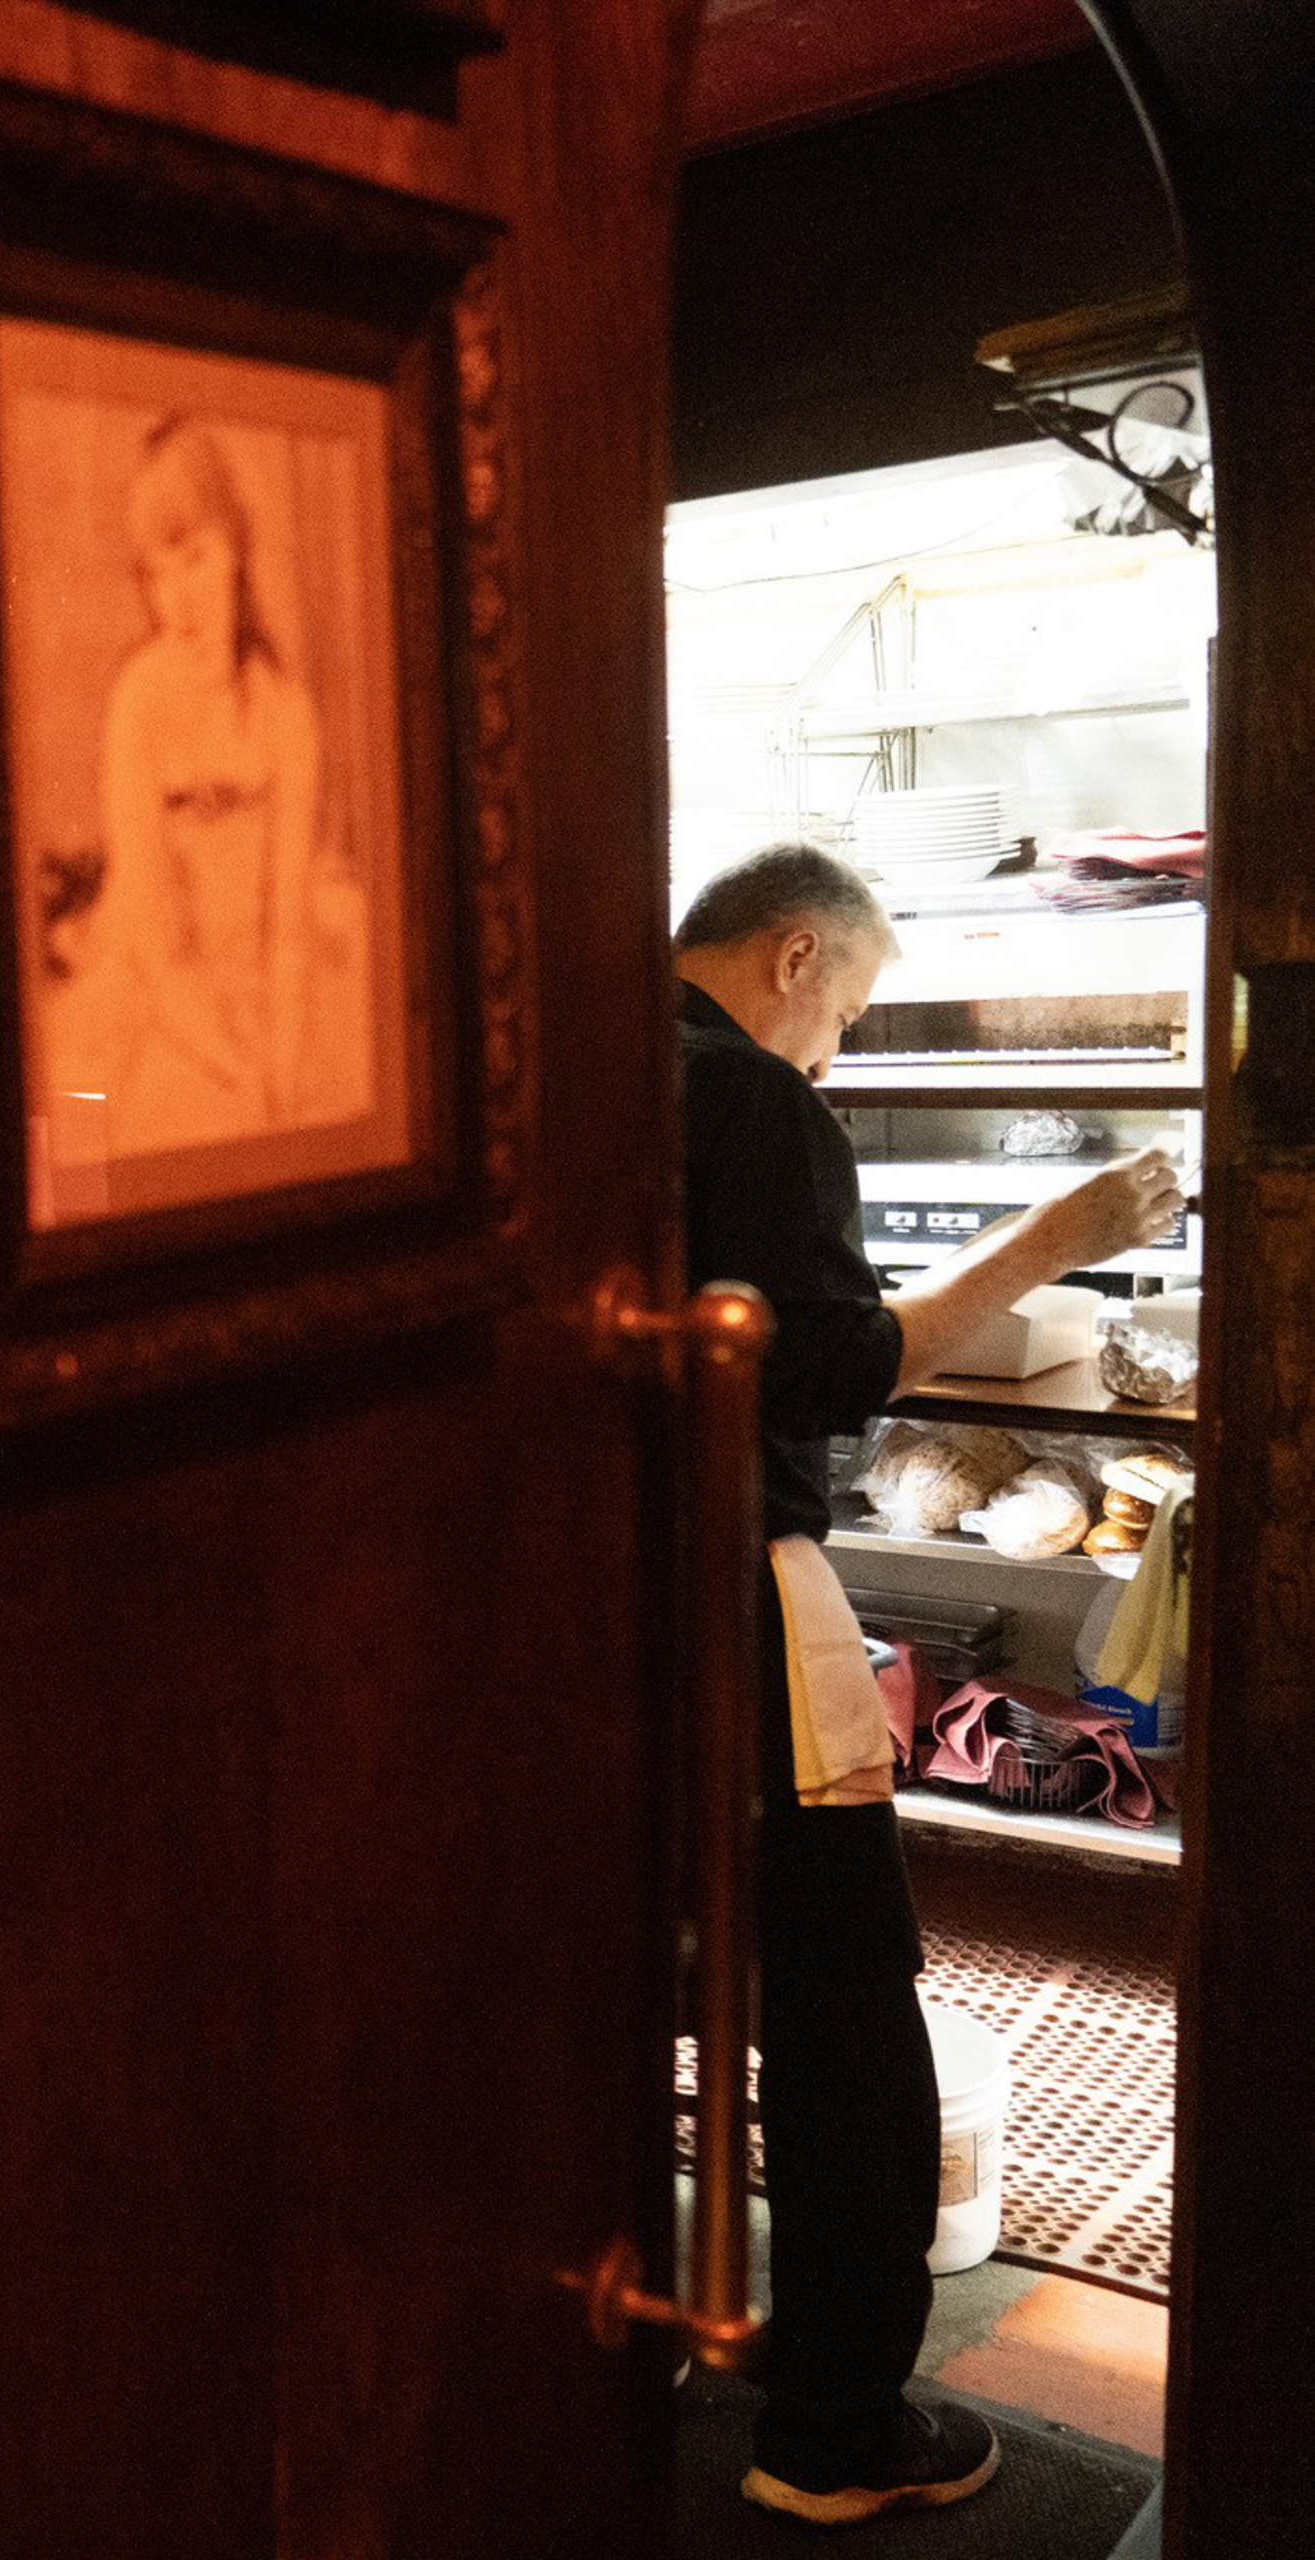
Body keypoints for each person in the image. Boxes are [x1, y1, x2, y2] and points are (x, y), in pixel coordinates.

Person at [675, 843, 1182, 2527]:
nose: (833, 1052)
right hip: (723, 1580)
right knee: (840, 2010)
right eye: (851, 1011)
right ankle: (828, 2427)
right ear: (795, 955)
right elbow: (825, 1370)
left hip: (562, 1603)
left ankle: (650, 2320)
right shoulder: (745, 1096)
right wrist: (1056, 1234)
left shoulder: (560, 1066)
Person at [57, 416, 364, 1172]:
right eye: (155, 574)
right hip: (155, 984)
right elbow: (159, 948)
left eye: (193, 560)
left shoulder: (285, 710)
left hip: (263, 980)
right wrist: (233, 1066)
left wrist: (280, 1070)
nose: (176, 601)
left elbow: (287, 928)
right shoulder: (138, 703)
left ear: (235, 552)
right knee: (81, 1148)